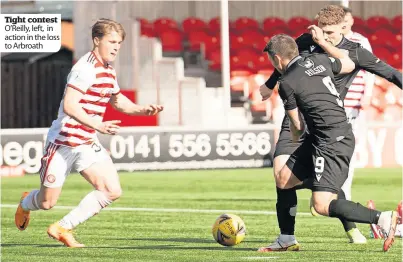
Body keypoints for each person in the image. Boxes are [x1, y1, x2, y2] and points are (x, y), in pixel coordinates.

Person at [14, 18, 164, 248]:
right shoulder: (84, 69)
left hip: (86, 142)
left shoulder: (108, 70)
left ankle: (62, 227)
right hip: (63, 142)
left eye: (119, 43)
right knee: (46, 203)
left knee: (112, 190)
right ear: (97, 40)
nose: (116, 47)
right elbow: (70, 106)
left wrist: (141, 110)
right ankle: (25, 202)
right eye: (112, 41)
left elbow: (117, 100)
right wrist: (98, 124)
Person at [259, 4, 402, 245]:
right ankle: (287, 237)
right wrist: (270, 84)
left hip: (326, 125)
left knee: (322, 195)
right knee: (280, 176)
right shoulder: (307, 39)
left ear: (345, 28)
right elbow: (283, 61)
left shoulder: (355, 53)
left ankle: (353, 224)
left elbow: (391, 73)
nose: (322, 36)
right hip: (295, 118)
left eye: (330, 33)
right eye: (320, 30)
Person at [339, 5, 375, 201]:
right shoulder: (330, 41)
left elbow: (370, 68)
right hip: (332, 103)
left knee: (349, 149)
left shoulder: (360, 41)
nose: (344, 23)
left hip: (353, 105)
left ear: (351, 21)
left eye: (347, 19)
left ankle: (345, 191)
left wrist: (367, 94)